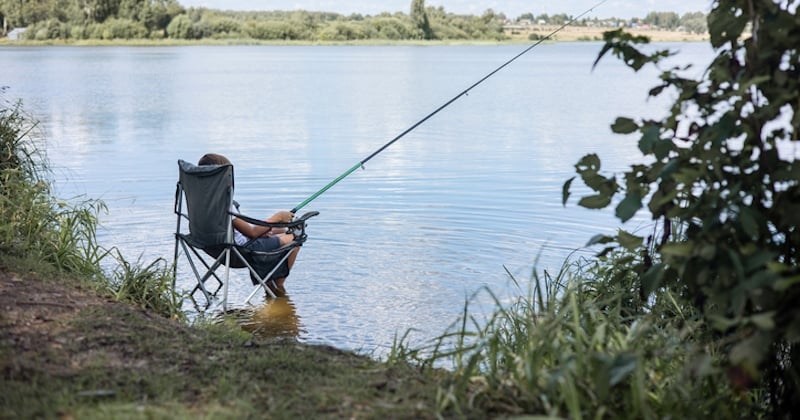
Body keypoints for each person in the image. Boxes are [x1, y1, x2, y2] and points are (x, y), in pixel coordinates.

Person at [197, 153, 299, 296]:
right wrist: (278, 216)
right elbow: (252, 233)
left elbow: (245, 230)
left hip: (213, 247)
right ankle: (275, 287)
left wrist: (269, 228)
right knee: (296, 237)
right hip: (238, 252)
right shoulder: (224, 204)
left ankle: (272, 284)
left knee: (281, 230)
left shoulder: (199, 202)